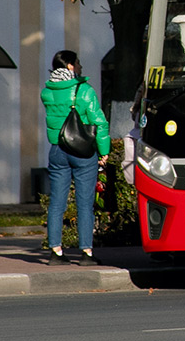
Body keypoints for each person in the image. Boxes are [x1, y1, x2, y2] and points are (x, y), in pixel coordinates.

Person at [41, 50, 110, 265]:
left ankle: (55, 252)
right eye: (78, 63)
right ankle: (86, 253)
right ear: (70, 66)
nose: (80, 66)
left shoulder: (47, 92)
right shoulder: (84, 91)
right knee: (84, 204)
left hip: (57, 150)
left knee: (57, 203)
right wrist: (104, 150)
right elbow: (99, 122)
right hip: (82, 152)